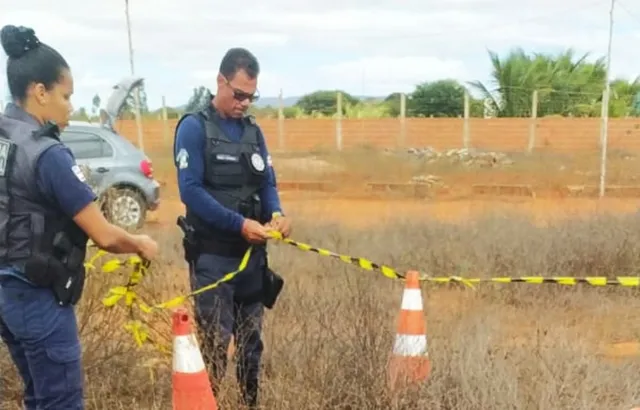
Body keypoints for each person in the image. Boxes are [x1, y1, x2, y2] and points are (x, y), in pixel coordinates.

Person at [0, 25, 158, 409]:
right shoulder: (48, 154)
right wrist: (139, 243)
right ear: (40, 92)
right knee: (61, 402)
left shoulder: (5, 138)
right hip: (38, 295)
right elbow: (103, 235)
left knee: (38, 397)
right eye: (65, 95)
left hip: (7, 294)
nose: (70, 106)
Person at [173, 47, 291, 408]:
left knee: (251, 342)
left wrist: (278, 214)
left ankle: (248, 401)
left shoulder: (253, 132)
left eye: (251, 96)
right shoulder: (194, 128)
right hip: (214, 259)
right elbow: (190, 191)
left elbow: (267, 182)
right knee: (214, 344)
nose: (244, 103)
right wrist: (238, 225)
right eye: (239, 94)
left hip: (252, 259)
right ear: (221, 81)